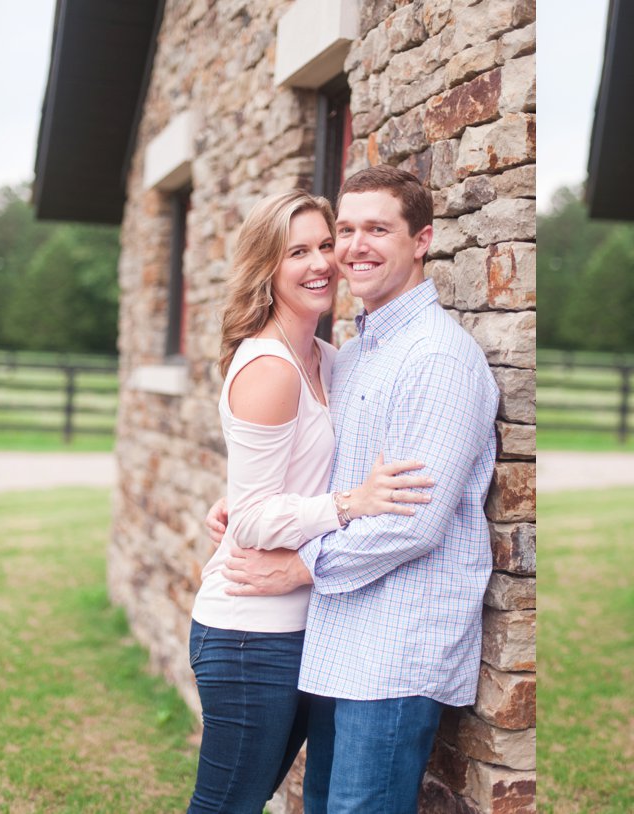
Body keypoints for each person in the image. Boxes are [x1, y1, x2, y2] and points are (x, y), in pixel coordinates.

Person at [212, 166, 500, 814]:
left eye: (377, 229)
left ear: (421, 240)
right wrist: (249, 506)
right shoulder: (357, 350)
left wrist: (299, 567)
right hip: (340, 642)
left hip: (394, 652)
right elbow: (329, 467)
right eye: (345, 230)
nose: (353, 247)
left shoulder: (437, 358)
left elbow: (413, 522)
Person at [188, 189, 432, 814]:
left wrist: (238, 500)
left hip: (307, 629)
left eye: (326, 245)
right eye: (297, 252)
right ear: (267, 266)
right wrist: (349, 504)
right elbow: (253, 519)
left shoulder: (330, 359)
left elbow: (279, 481)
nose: (322, 263)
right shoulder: (270, 367)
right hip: (249, 636)